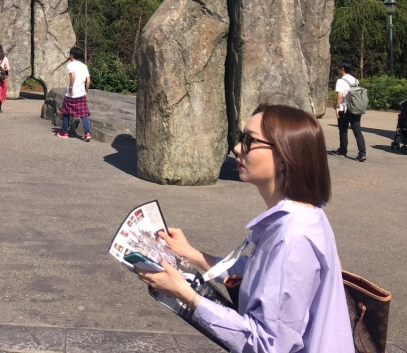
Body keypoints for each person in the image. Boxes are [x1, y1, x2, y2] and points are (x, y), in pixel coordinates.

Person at [137, 104, 352, 352]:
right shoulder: (305, 214)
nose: (237, 148)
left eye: (250, 141)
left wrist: (186, 295)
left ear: (284, 155)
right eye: (241, 138)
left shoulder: (293, 236)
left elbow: (267, 344)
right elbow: (256, 274)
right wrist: (190, 253)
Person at [330, 61, 366, 162]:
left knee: (343, 131)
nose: (338, 70)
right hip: (355, 108)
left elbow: (340, 96)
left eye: (338, 68)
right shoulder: (355, 80)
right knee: (357, 131)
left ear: (342, 69)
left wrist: (337, 106)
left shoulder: (340, 81)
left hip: (344, 109)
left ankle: (343, 151)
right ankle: (362, 153)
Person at [57, 46, 92, 141]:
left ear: (72, 55)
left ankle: (64, 132)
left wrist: (71, 87)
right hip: (81, 94)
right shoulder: (84, 66)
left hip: (71, 94)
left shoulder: (70, 65)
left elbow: (73, 75)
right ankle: (87, 133)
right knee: (83, 113)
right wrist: (86, 90)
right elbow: (88, 80)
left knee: (65, 111)